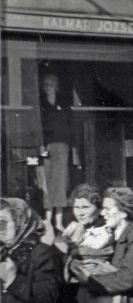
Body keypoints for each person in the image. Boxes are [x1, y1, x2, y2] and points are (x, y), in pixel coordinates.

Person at [38, 71, 79, 225]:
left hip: (63, 146)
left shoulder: (63, 102)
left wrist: (74, 149)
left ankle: (59, 220)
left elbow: (70, 125)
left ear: (56, 86)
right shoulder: (41, 103)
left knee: (61, 181)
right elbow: (38, 126)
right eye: (46, 85)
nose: (48, 87)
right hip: (47, 145)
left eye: (51, 85)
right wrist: (41, 145)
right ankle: (48, 219)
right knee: (48, 182)